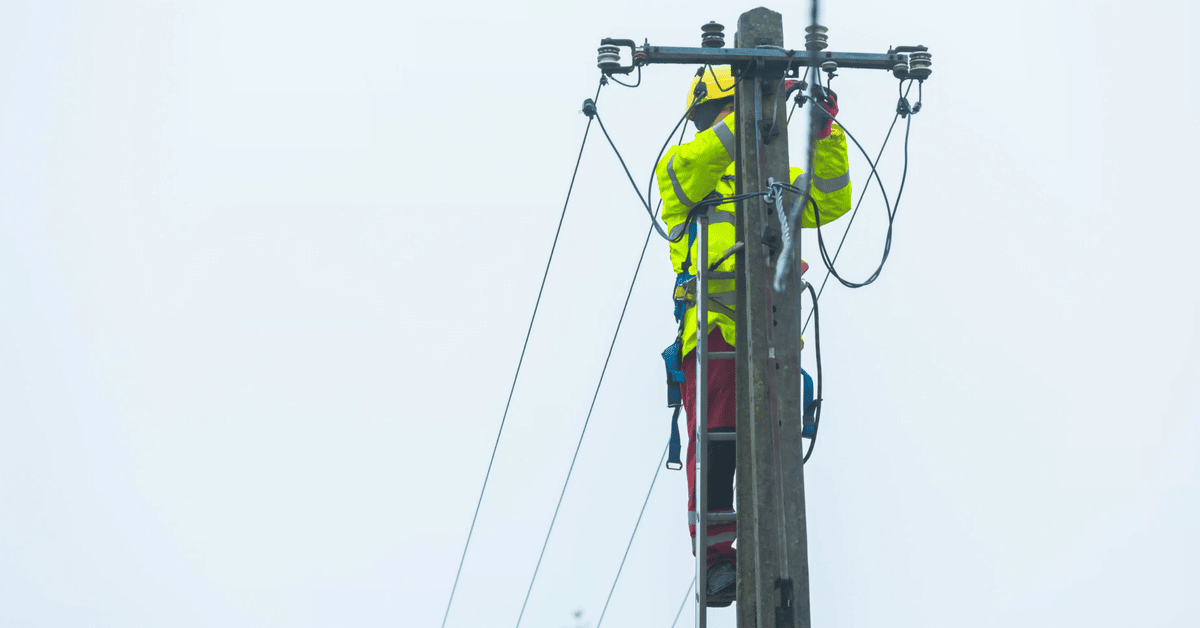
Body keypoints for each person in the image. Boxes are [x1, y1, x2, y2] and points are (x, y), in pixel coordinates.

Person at [655, 65, 853, 606]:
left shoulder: (771, 176)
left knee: (774, 447)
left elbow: (831, 199)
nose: (716, 126)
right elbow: (697, 160)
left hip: (771, 332)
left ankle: (778, 552)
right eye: (718, 115)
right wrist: (749, 110)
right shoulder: (683, 174)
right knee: (716, 450)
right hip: (714, 332)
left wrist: (822, 134)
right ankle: (718, 559)